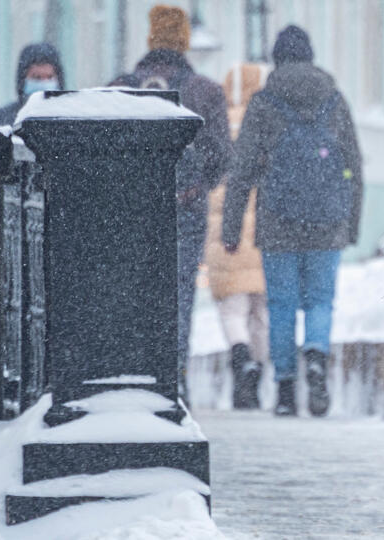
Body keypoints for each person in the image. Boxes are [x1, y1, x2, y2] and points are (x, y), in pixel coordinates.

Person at [223, 25, 363, 417]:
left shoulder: (265, 103)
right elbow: (354, 164)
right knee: (320, 300)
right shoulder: (333, 100)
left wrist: (231, 228)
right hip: (327, 221)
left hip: (278, 220)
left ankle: (285, 388)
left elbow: (242, 171)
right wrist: (350, 224)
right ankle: (316, 356)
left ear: (277, 59)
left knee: (281, 304)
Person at [111, 5, 232, 402]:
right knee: (178, 294)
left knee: (129, 290)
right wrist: (194, 190)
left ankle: (131, 373)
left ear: (150, 38)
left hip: (129, 213)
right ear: (184, 40)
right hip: (185, 212)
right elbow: (221, 156)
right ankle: (173, 375)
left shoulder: (121, 88)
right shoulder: (205, 91)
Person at [202, 63, 273, 409]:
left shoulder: (217, 121)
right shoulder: (267, 120)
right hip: (263, 228)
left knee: (232, 309)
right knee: (260, 311)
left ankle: (240, 357)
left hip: (223, 231)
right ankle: (255, 373)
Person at [0, 43, 65, 125]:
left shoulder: (69, 117)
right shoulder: (1, 120)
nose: (44, 83)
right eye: (37, 77)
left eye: (49, 77)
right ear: (22, 80)